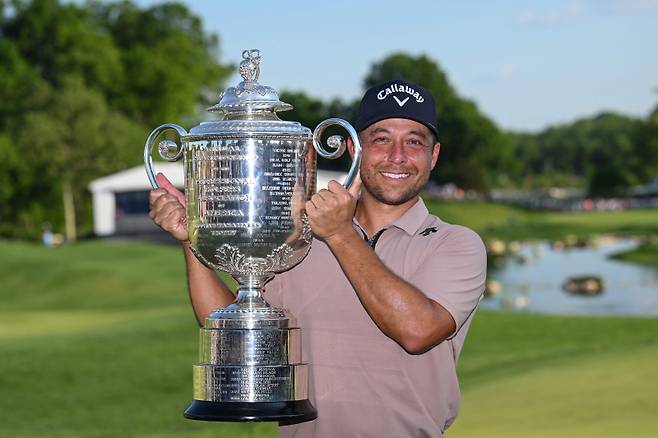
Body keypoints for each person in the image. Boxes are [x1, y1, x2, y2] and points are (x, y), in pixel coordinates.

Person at [149, 79, 487, 438]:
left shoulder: (455, 243)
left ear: (433, 156)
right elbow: (236, 334)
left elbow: (417, 331)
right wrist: (193, 238)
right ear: (353, 148)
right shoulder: (302, 237)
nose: (397, 156)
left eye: (415, 142)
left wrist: (339, 233)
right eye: (381, 139)